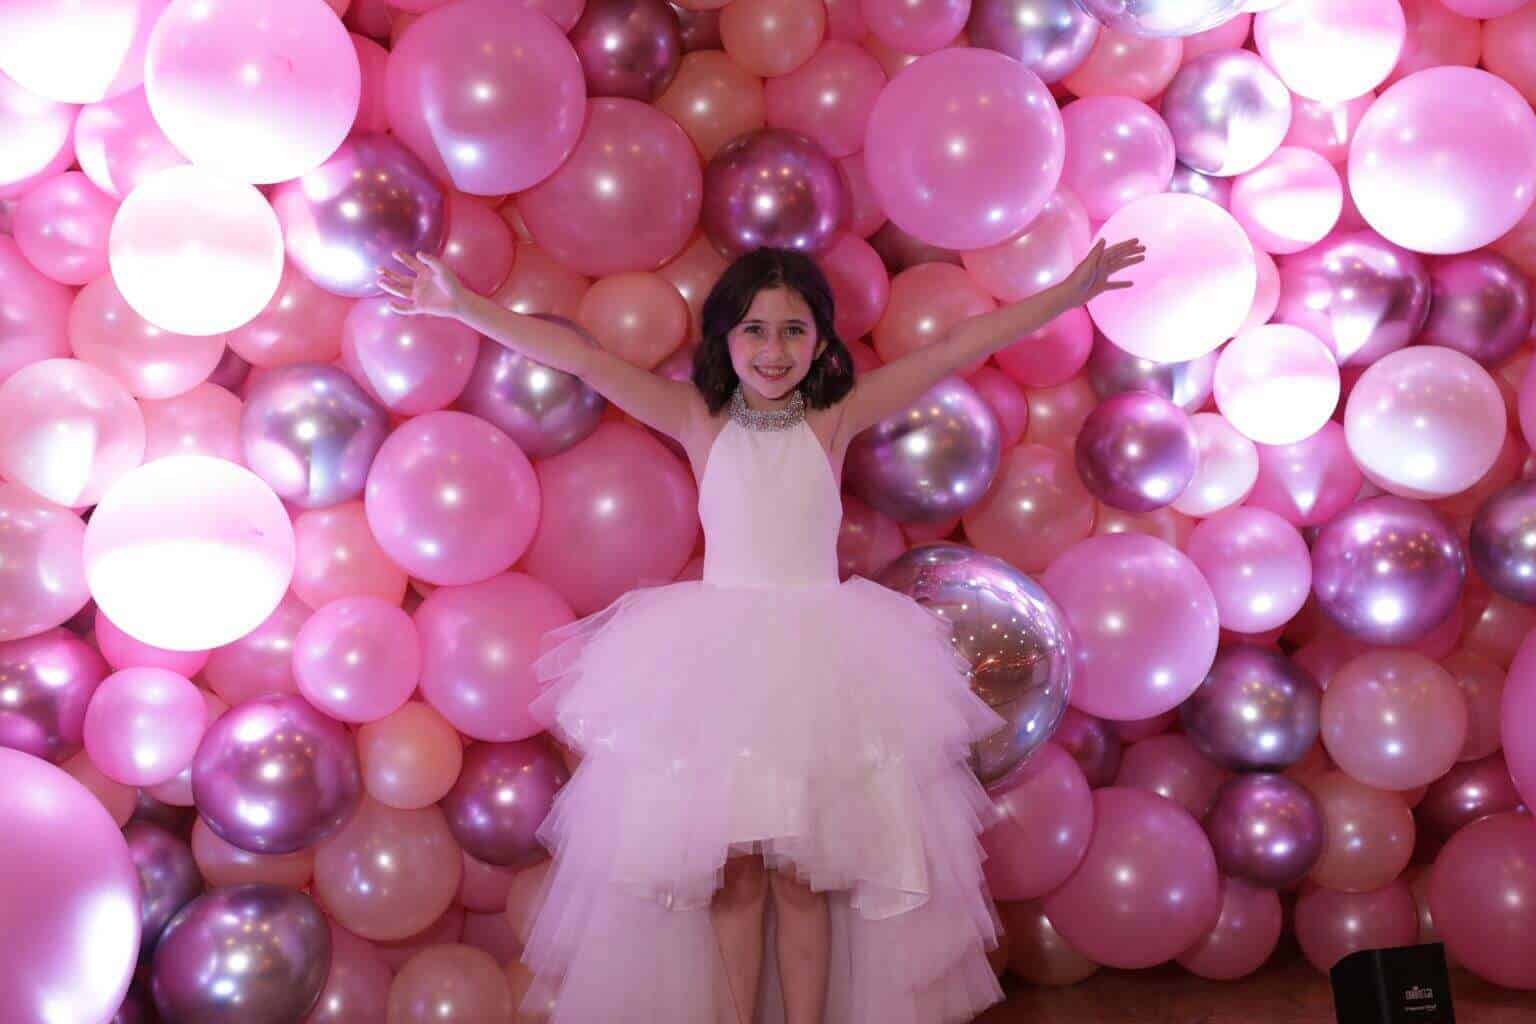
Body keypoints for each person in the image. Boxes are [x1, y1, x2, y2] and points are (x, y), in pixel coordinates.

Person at [376, 236, 1142, 1023]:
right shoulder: (697, 418)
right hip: (720, 670)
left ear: (820, 342)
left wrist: (1069, 294)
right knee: (734, 878)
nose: (774, 350)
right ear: (725, 337)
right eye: (754, 330)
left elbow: (954, 348)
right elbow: (583, 359)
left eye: (793, 330)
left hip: (821, 668)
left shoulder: (833, 418)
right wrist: (462, 306)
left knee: (804, 877)